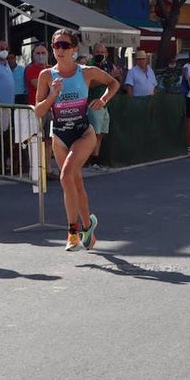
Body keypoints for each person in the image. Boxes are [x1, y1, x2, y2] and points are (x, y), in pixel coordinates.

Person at [34, 28, 119, 252]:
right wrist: (52, 95)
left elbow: (114, 83)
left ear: (73, 49)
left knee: (65, 175)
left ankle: (72, 232)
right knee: (75, 183)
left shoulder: (87, 72)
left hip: (83, 133)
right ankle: (88, 225)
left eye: (64, 45)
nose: (59, 50)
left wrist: (103, 100)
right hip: (60, 135)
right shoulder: (46, 76)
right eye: (56, 45)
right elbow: (39, 112)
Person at [85, 43, 121, 169]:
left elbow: (116, 81)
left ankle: (96, 158)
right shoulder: (90, 65)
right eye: (98, 51)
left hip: (105, 104)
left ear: (106, 53)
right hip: (94, 103)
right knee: (93, 133)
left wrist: (116, 75)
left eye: (102, 51)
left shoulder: (109, 65)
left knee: (101, 134)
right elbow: (90, 83)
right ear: (94, 53)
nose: (100, 54)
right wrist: (107, 78)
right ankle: (89, 160)